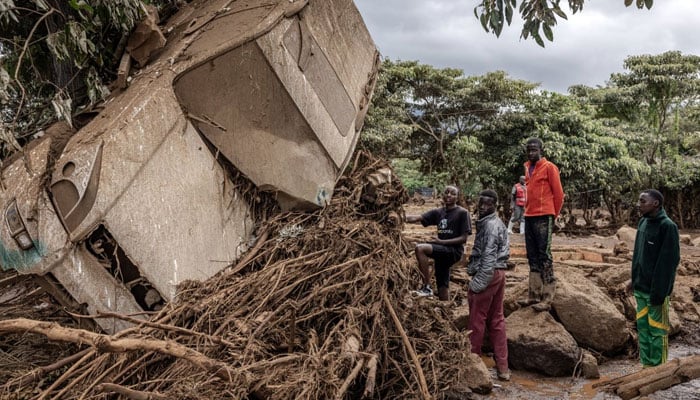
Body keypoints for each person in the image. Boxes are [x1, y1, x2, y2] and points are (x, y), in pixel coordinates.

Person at [627, 189, 680, 367]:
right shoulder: (643, 222)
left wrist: (659, 293)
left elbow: (668, 263)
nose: (639, 204)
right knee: (643, 328)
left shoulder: (668, 226)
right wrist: (633, 280)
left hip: (656, 291)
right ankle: (646, 365)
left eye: (643, 201)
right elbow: (638, 255)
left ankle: (659, 369)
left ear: (655, 204)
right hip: (640, 288)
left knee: (657, 330)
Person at [467, 189, 510, 381]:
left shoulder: (491, 226)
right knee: (497, 320)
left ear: (495, 205)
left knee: (477, 320)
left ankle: (473, 363)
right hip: (499, 273)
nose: (483, 207)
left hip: (489, 273)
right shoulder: (495, 223)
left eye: (488, 204)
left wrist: (476, 285)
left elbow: (489, 257)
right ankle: (503, 367)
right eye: (481, 203)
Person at [518, 138, 564, 312]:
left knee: (545, 255)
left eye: (534, 150)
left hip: (544, 215)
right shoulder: (527, 168)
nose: (531, 153)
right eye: (528, 150)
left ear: (541, 150)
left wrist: (554, 214)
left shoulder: (550, 167)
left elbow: (559, 194)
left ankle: (548, 297)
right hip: (529, 215)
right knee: (532, 255)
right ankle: (533, 294)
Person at [405, 185, 472, 301]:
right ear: (442, 195)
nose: (449, 195)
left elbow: (463, 238)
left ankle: (426, 287)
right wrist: (400, 216)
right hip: (442, 253)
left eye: (453, 193)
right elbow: (417, 218)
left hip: (454, 251)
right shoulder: (439, 212)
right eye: (447, 192)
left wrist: (442, 242)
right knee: (442, 286)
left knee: (420, 248)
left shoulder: (462, 213)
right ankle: (446, 310)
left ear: (458, 197)